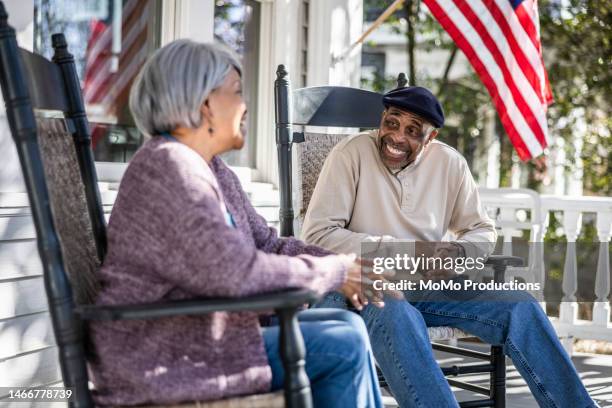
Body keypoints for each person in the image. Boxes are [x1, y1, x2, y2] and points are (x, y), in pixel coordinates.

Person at [88, 39, 383, 408]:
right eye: (237, 92)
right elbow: (234, 273)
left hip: (204, 334)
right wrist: (333, 271)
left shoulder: (210, 168)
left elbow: (268, 244)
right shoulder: (168, 169)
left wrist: (350, 267)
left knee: (350, 327)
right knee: (344, 347)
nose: (245, 105)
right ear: (206, 104)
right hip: (162, 354)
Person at [301, 86, 597, 407]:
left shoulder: (449, 163)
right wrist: (411, 251)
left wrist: (458, 252)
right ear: (382, 119)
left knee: (520, 305)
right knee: (399, 312)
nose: (397, 137)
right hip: (363, 285)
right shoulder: (350, 155)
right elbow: (318, 236)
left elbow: (482, 230)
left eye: (412, 131)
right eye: (392, 122)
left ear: (430, 137)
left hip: (429, 285)